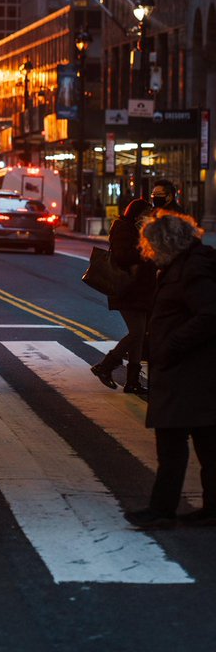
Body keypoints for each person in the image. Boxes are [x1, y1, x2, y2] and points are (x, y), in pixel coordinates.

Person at [124, 211, 216, 530]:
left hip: (188, 373)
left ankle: (162, 510)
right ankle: (210, 508)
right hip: (190, 373)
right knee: (206, 443)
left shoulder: (192, 270)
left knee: (173, 444)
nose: (148, 251)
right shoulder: (185, 265)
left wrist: (171, 345)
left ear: (165, 243)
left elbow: (209, 314)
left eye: (151, 244)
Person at [90, 198, 153, 395]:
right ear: (138, 214)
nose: (151, 217)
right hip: (128, 290)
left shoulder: (140, 231)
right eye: (148, 213)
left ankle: (132, 381)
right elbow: (124, 256)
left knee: (139, 336)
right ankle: (105, 366)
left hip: (142, 290)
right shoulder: (123, 230)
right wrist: (146, 250)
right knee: (136, 334)